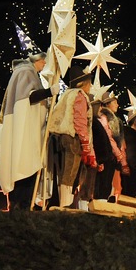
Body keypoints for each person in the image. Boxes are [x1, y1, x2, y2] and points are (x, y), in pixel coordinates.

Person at [0, 48, 60, 210]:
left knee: (28, 169)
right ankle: (20, 207)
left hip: (30, 130)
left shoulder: (27, 72)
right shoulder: (25, 72)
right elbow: (29, 97)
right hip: (25, 132)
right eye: (42, 60)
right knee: (24, 167)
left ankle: (23, 207)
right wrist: (48, 92)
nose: (44, 63)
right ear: (34, 59)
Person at [47, 66, 99, 208]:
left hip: (60, 137)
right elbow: (80, 121)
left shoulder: (66, 94)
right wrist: (85, 144)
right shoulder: (80, 96)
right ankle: (65, 204)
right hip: (73, 138)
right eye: (89, 82)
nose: (90, 86)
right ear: (83, 83)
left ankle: (62, 202)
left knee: (63, 172)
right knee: (70, 173)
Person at [93, 92, 129, 203]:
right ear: (108, 104)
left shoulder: (115, 119)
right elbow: (108, 138)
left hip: (113, 156)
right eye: (115, 102)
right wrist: (118, 154)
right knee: (103, 184)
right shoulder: (104, 118)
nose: (117, 105)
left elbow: (118, 140)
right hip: (107, 155)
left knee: (107, 184)